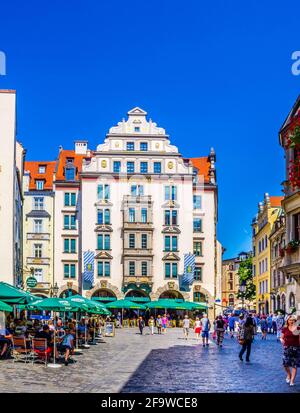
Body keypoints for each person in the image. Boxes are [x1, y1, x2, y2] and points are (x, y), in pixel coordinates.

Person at [280, 315, 300, 386]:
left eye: (293, 320)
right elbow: (281, 337)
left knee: (294, 365)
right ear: (287, 321)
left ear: (295, 321)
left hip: (296, 348)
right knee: (285, 364)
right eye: (290, 320)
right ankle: (289, 374)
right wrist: (281, 340)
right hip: (287, 348)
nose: (291, 321)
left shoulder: (298, 328)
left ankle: (292, 381)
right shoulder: (285, 329)